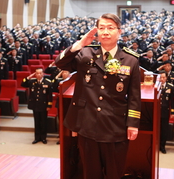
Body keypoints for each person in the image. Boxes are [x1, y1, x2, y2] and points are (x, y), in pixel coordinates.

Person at [55, 13, 141, 179]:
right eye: (101, 28)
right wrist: (80, 44)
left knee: (114, 173)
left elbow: (134, 96)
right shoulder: (85, 54)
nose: (105, 32)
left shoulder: (130, 60)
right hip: (88, 125)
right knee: (90, 173)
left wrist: (133, 124)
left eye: (110, 28)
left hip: (115, 126)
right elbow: (60, 63)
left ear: (119, 32)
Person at [21, 68, 53, 144]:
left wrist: (49, 105)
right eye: (37, 73)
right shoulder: (32, 82)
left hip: (43, 105)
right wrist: (28, 77)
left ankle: (43, 137)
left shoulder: (47, 82)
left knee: (43, 122)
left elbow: (50, 96)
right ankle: (37, 137)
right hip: (35, 105)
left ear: (43, 74)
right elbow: (23, 84)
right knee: (37, 122)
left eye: (40, 73)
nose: (38, 74)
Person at [158, 71, 174, 154]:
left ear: (166, 78)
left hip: (165, 111)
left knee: (164, 129)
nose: (162, 79)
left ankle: (162, 146)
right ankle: (156, 146)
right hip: (156, 112)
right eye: (160, 77)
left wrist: (172, 112)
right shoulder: (155, 86)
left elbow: (172, 101)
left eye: (163, 77)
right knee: (157, 129)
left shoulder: (170, 87)